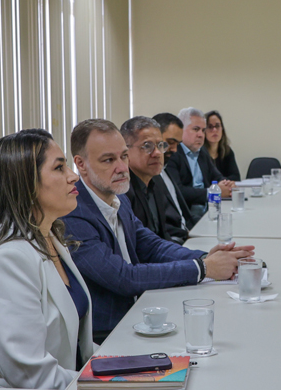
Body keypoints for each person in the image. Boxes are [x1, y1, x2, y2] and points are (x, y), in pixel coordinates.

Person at [62, 119, 254, 341]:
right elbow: (123, 277)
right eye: (109, 160)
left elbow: (152, 246)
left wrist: (206, 258)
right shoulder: (73, 213)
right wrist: (203, 268)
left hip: (141, 312)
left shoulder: (118, 199)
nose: (122, 168)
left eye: (124, 156)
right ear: (81, 164)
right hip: (109, 334)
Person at [0, 129, 96, 389]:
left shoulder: (49, 235)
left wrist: (119, 366)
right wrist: (101, 383)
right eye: (59, 168)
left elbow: (74, 345)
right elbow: (30, 374)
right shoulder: (7, 259)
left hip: (60, 387)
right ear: (26, 183)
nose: (73, 176)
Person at [120, 116, 189, 243]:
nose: (157, 153)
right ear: (126, 151)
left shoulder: (156, 182)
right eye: (147, 146)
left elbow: (162, 236)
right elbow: (138, 246)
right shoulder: (123, 191)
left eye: (160, 145)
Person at [165, 107, 235, 217]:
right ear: (181, 130)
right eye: (196, 129)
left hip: (208, 211)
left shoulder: (202, 151)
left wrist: (227, 184)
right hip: (187, 216)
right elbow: (178, 191)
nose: (201, 135)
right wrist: (212, 192)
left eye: (203, 130)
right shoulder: (173, 153)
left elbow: (216, 176)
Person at [152, 112, 196, 240]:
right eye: (171, 142)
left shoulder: (166, 168)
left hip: (187, 233)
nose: (175, 149)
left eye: (178, 144)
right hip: (174, 241)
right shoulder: (148, 177)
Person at [204, 110, 241, 181]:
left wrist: (223, 183)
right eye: (210, 127)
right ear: (204, 130)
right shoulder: (200, 154)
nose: (214, 130)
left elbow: (236, 177)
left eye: (217, 126)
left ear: (222, 129)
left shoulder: (227, 151)